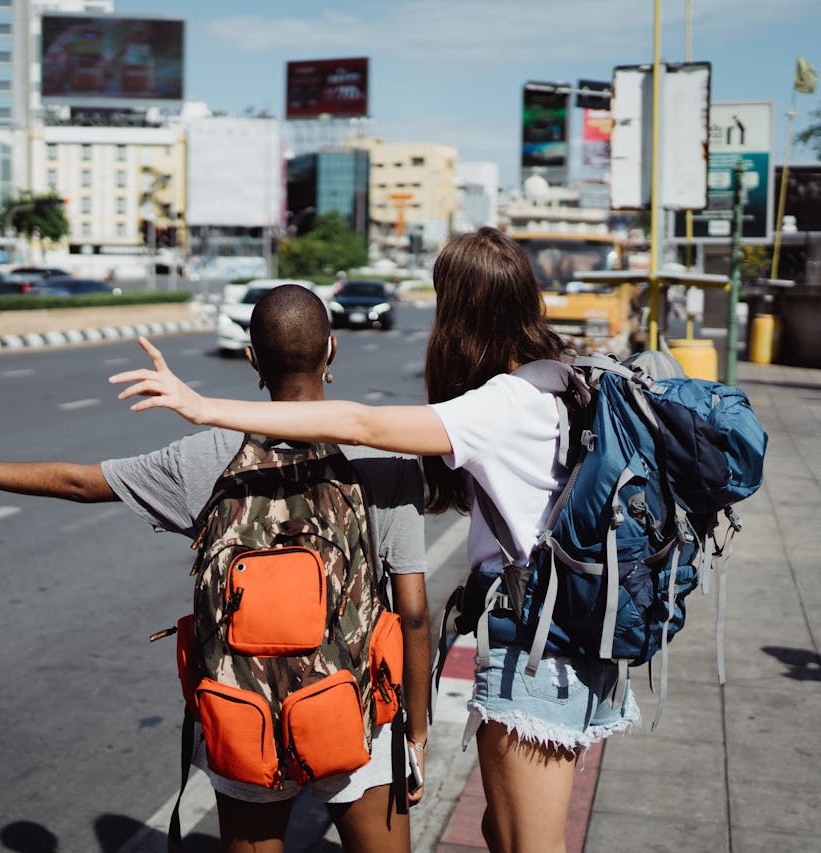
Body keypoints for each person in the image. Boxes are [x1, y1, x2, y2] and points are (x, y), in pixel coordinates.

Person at [111, 228, 640, 853]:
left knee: (528, 844)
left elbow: (360, 423)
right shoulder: (568, 378)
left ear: (460, 317)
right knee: (504, 831)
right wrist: (414, 731)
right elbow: (415, 601)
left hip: (532, 651)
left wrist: (206, 408)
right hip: (577, 639)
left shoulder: (499, 404)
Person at [0, 284, 431, 853]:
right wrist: (419, 733)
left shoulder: (206, 457)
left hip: (247, 711)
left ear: (252, 357)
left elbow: (77, 482)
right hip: (356, 707)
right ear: (331, 350)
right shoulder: (381, 454)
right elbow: (412, 612)